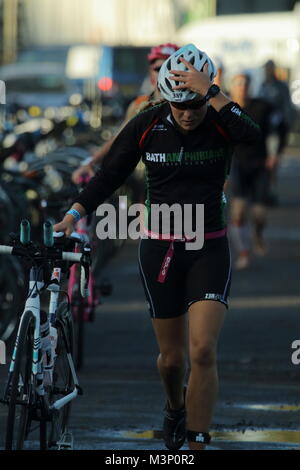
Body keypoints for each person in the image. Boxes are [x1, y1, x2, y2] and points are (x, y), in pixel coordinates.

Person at [54, 44, 260, 451]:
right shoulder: (148, 122)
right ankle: (173, 405)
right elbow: (109, 175)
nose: (186, 114)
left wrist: (215, 95)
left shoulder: (220, 120)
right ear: (165, 95)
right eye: (178, 106)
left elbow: (253, 139)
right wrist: (74, 215)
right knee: (172, 361)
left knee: (202, 351)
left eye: (194, 105)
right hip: (160, 249)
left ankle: (198, 443)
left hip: (209, 247)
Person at [72, 43, 180, 184]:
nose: (165, 73)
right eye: (159, 68)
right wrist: (90, 163)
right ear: (150, 72)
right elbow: (120, 138)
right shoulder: (139, 105)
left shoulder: (193, 103)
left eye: (171, 68)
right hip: (147, 182)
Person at [229, 72, 281, 269]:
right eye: (238, 83)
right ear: (232, 86)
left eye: (245, 83)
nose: (242, 86)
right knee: (239, 211)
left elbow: (276, 131)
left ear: (250, 86)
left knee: (259, 214)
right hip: (237, 164)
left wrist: (274, 154)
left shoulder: (263, 107)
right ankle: (243, 252)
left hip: (260, 164)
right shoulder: (225, 108)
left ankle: (258, 234)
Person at [259, 59, 295, 204]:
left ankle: (270, 191)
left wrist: (286, 126)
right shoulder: (262, 86)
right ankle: (263, 190)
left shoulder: (281, 87)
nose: (267, 71)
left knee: (272, 161)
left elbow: (287, 107)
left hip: (275, 130)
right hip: (262, 130)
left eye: (269, 68)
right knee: (262, 162)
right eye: (266, 69)